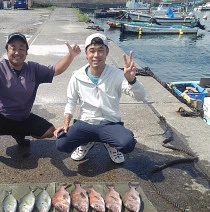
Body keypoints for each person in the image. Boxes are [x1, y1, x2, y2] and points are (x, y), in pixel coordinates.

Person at [0, 33, 81, 168]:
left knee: (49, 131)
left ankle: (19, 135)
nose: (17, 52)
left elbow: (56, 70)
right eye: (13, 48)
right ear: (7, 50)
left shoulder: (33, 68)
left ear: (26, 52)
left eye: (22, 48)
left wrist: (70, 56)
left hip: (22, 117)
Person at [54, 33, 146, 164]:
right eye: (92, 51)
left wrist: (132, 81)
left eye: (100, 50)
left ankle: (112, 144)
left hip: (110, 123)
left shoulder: (118, 75)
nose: (96, 55)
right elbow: (71, 101)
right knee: (61, 144)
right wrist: (66, 123)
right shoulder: (77, 76)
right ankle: (86, 142)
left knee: (127, 144)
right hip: (85, 123)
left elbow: (141, 96)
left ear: (107, 52)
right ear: (86, 53)